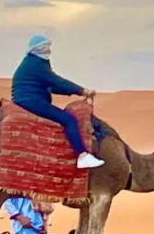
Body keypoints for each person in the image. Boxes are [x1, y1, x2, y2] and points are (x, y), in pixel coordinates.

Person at [11, 35, 104, 169]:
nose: (48, 50)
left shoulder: (35, 63)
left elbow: (52, 86)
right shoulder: (35, 64)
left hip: (28, 100)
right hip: (31, 101)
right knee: (69, 120)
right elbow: (56, 81)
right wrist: (83, 91)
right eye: (45, 47)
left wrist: (75, 92)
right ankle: (83, 156)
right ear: (38, 49)